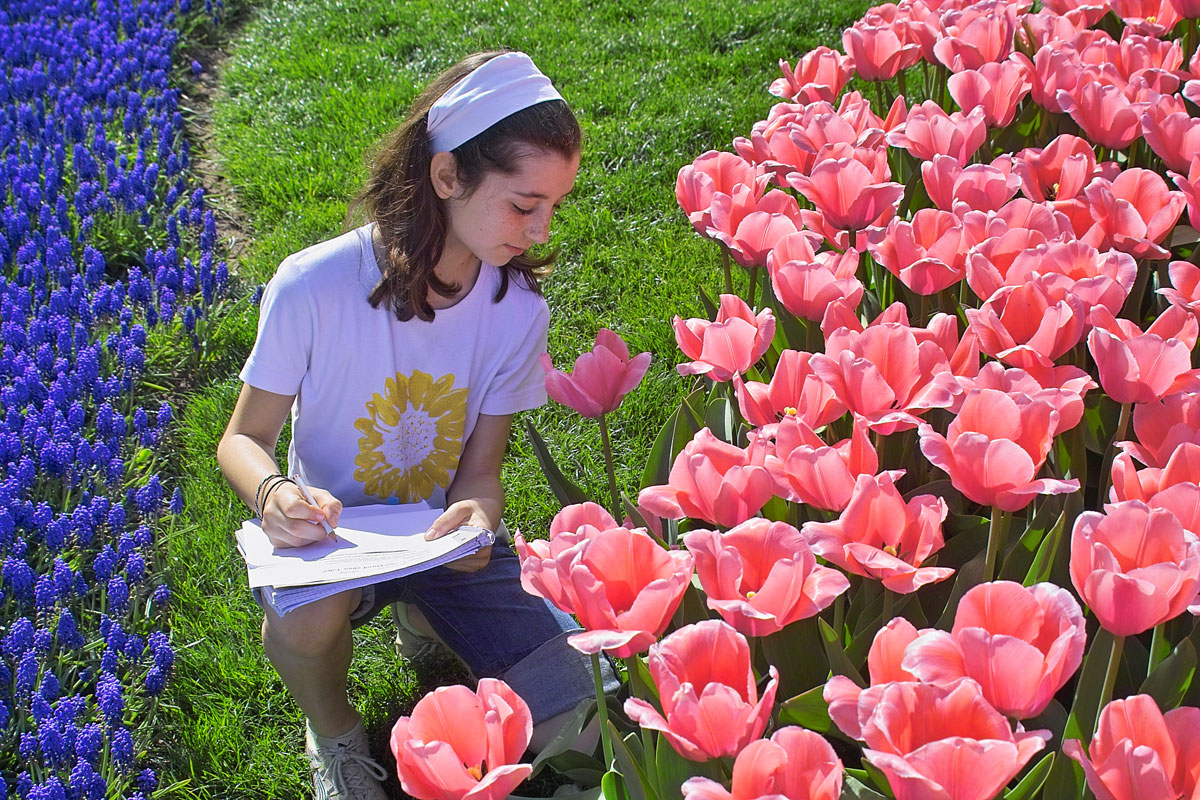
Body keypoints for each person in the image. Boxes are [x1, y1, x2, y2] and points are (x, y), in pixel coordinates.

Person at [217, 51, 616, 800]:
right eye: (523, 203)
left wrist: (481, 515)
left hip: (442, 537)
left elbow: (480, 472)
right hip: (332, 538)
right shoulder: (314, 285)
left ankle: (431, 615)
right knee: (307, 623)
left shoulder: (515, 311)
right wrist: (272, 495)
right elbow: (241, 439)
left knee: (588, 710)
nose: (540, 229)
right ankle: (335, 734)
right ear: (447, 176)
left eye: (554, 206)